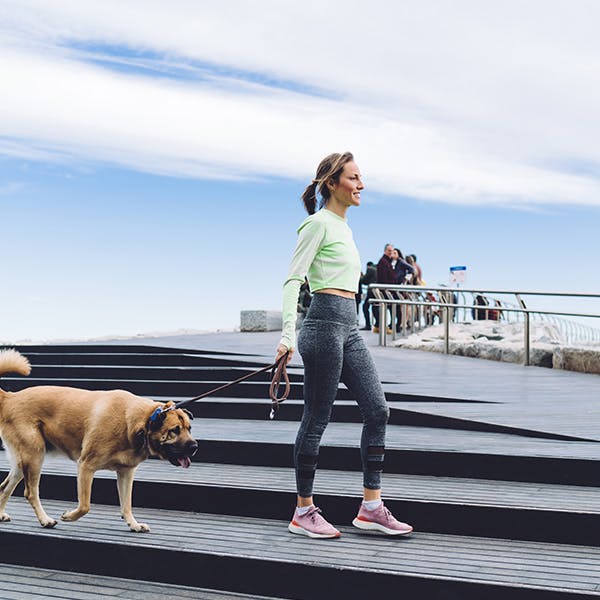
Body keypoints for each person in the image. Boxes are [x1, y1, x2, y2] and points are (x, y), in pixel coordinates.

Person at [275, 152, 413, 539]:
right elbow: (293, 281)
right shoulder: (316, 224)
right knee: (317, 418)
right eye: (353, 177)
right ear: (332, 183)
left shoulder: (344, 227)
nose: (361, 185)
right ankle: (303, 511)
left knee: (378, 410)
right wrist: (288, 335)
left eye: (360, 177)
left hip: (350, 327)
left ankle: (371, 507)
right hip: (320, 327)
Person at [372, 244, 395, 334]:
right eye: (389, 251)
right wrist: (386, 289)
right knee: (386, 308)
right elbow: (383, 277)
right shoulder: (383, 262)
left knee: (386, 308)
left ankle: (379, 326)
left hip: (387, 289)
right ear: (385, 251)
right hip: (385, 289)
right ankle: (382, 326)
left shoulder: (388, 261)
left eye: (392, 251)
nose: (391, 253)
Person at [359, 261, 377, 330]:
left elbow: (364, 281)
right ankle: (377, 324)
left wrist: (360, 277)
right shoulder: (376, 269)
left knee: (365, 307)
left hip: (371, 291)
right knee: (375, 307)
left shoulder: (370, 269)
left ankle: (368, 325)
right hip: (376, 291)